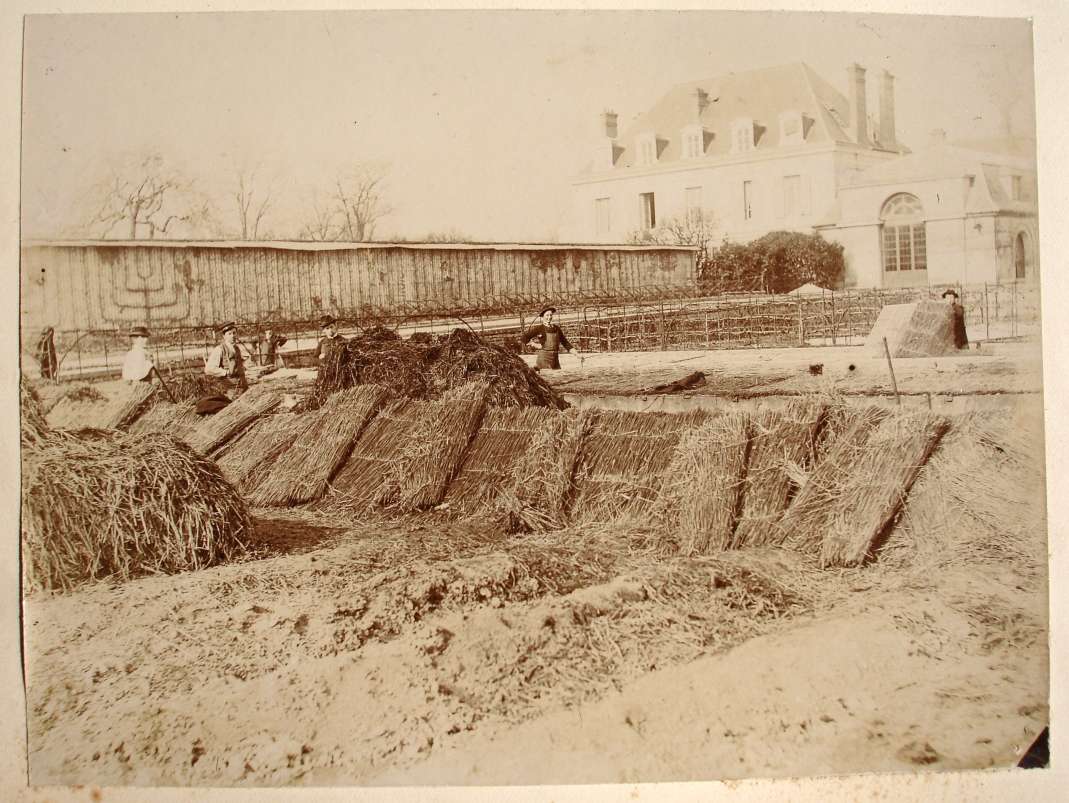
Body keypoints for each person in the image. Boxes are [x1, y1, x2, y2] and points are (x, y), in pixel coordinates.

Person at [520, 306, 579, 371]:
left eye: (551, 315)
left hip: (555, 358)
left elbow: (565, 342)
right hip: (544, 359)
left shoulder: (556, 328)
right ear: (543, 317)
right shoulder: (539, 329)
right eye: (547, 315)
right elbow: (524, 338)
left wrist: (576, 354)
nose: (549, 317)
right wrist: (535, 344)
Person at [204, 322, 248, 397]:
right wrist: (225, 372)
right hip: (230, 389)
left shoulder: (237, 348)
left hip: (242, 386)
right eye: (229, 334)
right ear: (224, 336)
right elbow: (208, 369)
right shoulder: (219, 350)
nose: (233, 336)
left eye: (234, 333)